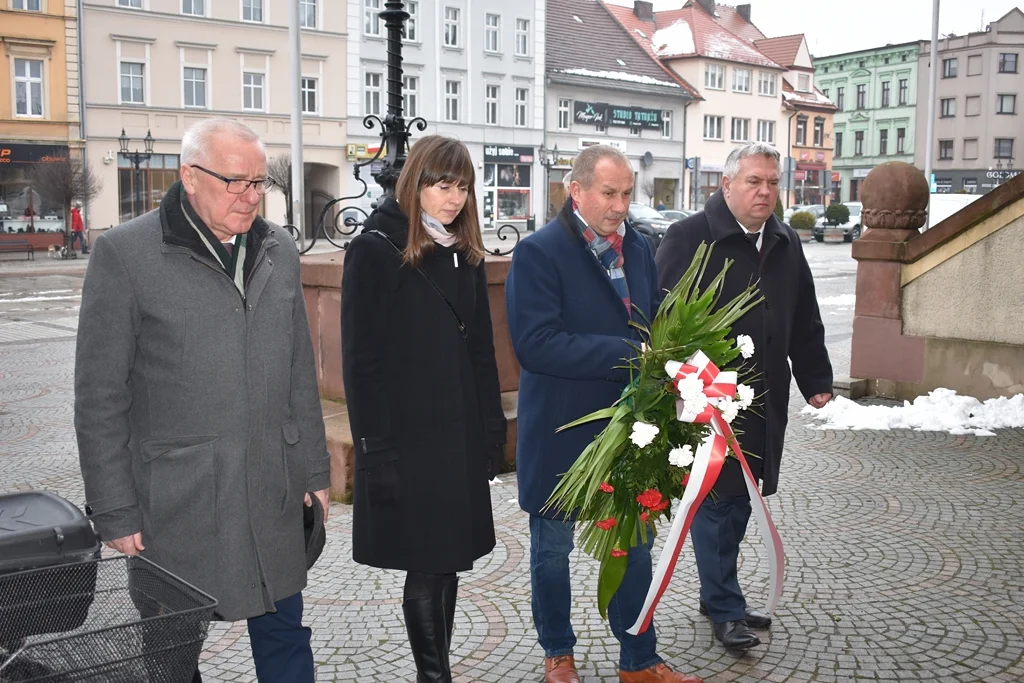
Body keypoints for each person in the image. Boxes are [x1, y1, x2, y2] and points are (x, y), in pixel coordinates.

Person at [74, 117, 330, 683]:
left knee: (286, 635)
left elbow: (297, 374)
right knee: (171, 655)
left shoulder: (278, 248)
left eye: (259, 183)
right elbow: (99, 396)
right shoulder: (126, 254)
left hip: (271, 487)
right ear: (188, 176)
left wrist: (314, 469)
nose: (249, 197)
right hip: (177, 502)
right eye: (234, 181)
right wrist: (114, 508)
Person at [506, 144, 702, 683]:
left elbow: (654, 325)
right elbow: (536, 344)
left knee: (634, 547)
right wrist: (631, 355)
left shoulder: (638, 247)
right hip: (562, 431)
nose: (620, 205)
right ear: (577, 190)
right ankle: (558, 654)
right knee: (553, 551)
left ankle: (638, 657)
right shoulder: (538, 253)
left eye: (626, 194)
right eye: (609, 194)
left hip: (629, 429)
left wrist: (681, 361)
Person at [341, 135, 507, 683]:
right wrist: (375, 449)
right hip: (409, 442)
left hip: (456, 437)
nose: (453, 197)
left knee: (450, 559)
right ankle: (434, 677)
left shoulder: (463, 251)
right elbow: (361, 362)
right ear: (415, 183)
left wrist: (489, 429)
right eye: (442, 184)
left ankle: (436, 674)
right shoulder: (377, 248)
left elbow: (482, 350)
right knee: (426, 563)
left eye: (462, 186)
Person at [655, 142, 833, 651]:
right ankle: (726, 608)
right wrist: (682, 387)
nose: (765, 192)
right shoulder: (689, 237)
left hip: (765, 400)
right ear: (726, 184)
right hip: (710, 403)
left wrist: (816, 377)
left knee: (742, 500)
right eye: (754, 181)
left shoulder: (783, 239)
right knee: (715, 501)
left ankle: (718, 594)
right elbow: (661, 320)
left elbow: (804, 314)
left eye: (772, 182)